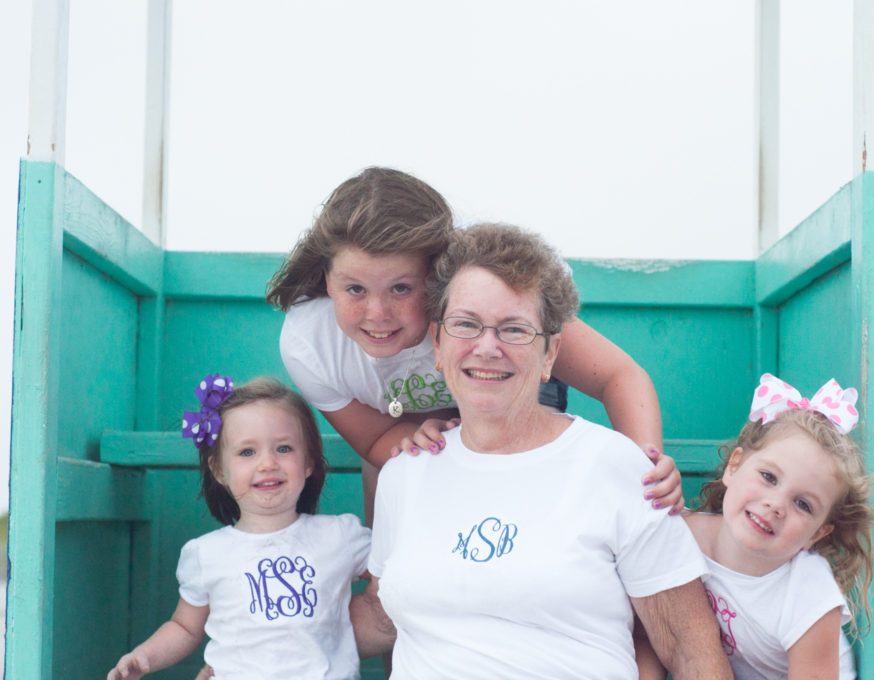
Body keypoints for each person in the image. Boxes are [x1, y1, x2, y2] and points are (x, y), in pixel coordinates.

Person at [363, 223, 732, 678]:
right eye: (465, 324)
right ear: (438, 343)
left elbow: (688, 646)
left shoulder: (617, 467)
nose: (487, 347)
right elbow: (380, 619)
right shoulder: (406, 473)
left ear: (551, 353)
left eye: (514, 329)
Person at [266, 167, 683, 524]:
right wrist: (414, 437)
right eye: (355, 288)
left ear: (437, 281)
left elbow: (618, 376)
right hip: (412, 422)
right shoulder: (310, 343)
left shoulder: (487, 295)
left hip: (513, 392)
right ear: (326, 279)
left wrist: (645, 477)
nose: (378, 313)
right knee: (393, 479)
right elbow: (376, 441)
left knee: (520, 485)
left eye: (401, 288)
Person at [107, 375, 372, 680]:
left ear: (309, 461)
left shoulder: (340, 537)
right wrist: (143, 656)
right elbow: (184, 627)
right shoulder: (206, 553)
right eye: (247, 452)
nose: (267, 464)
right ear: (219, 469)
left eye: (283, 448)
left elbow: (398, 577)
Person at [641, 373, 874, 680]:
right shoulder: (677, 535)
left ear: (816, 534)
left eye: (803, 504)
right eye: (769, 477)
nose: (776, 505)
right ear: (734, 467)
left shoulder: (807, 592)